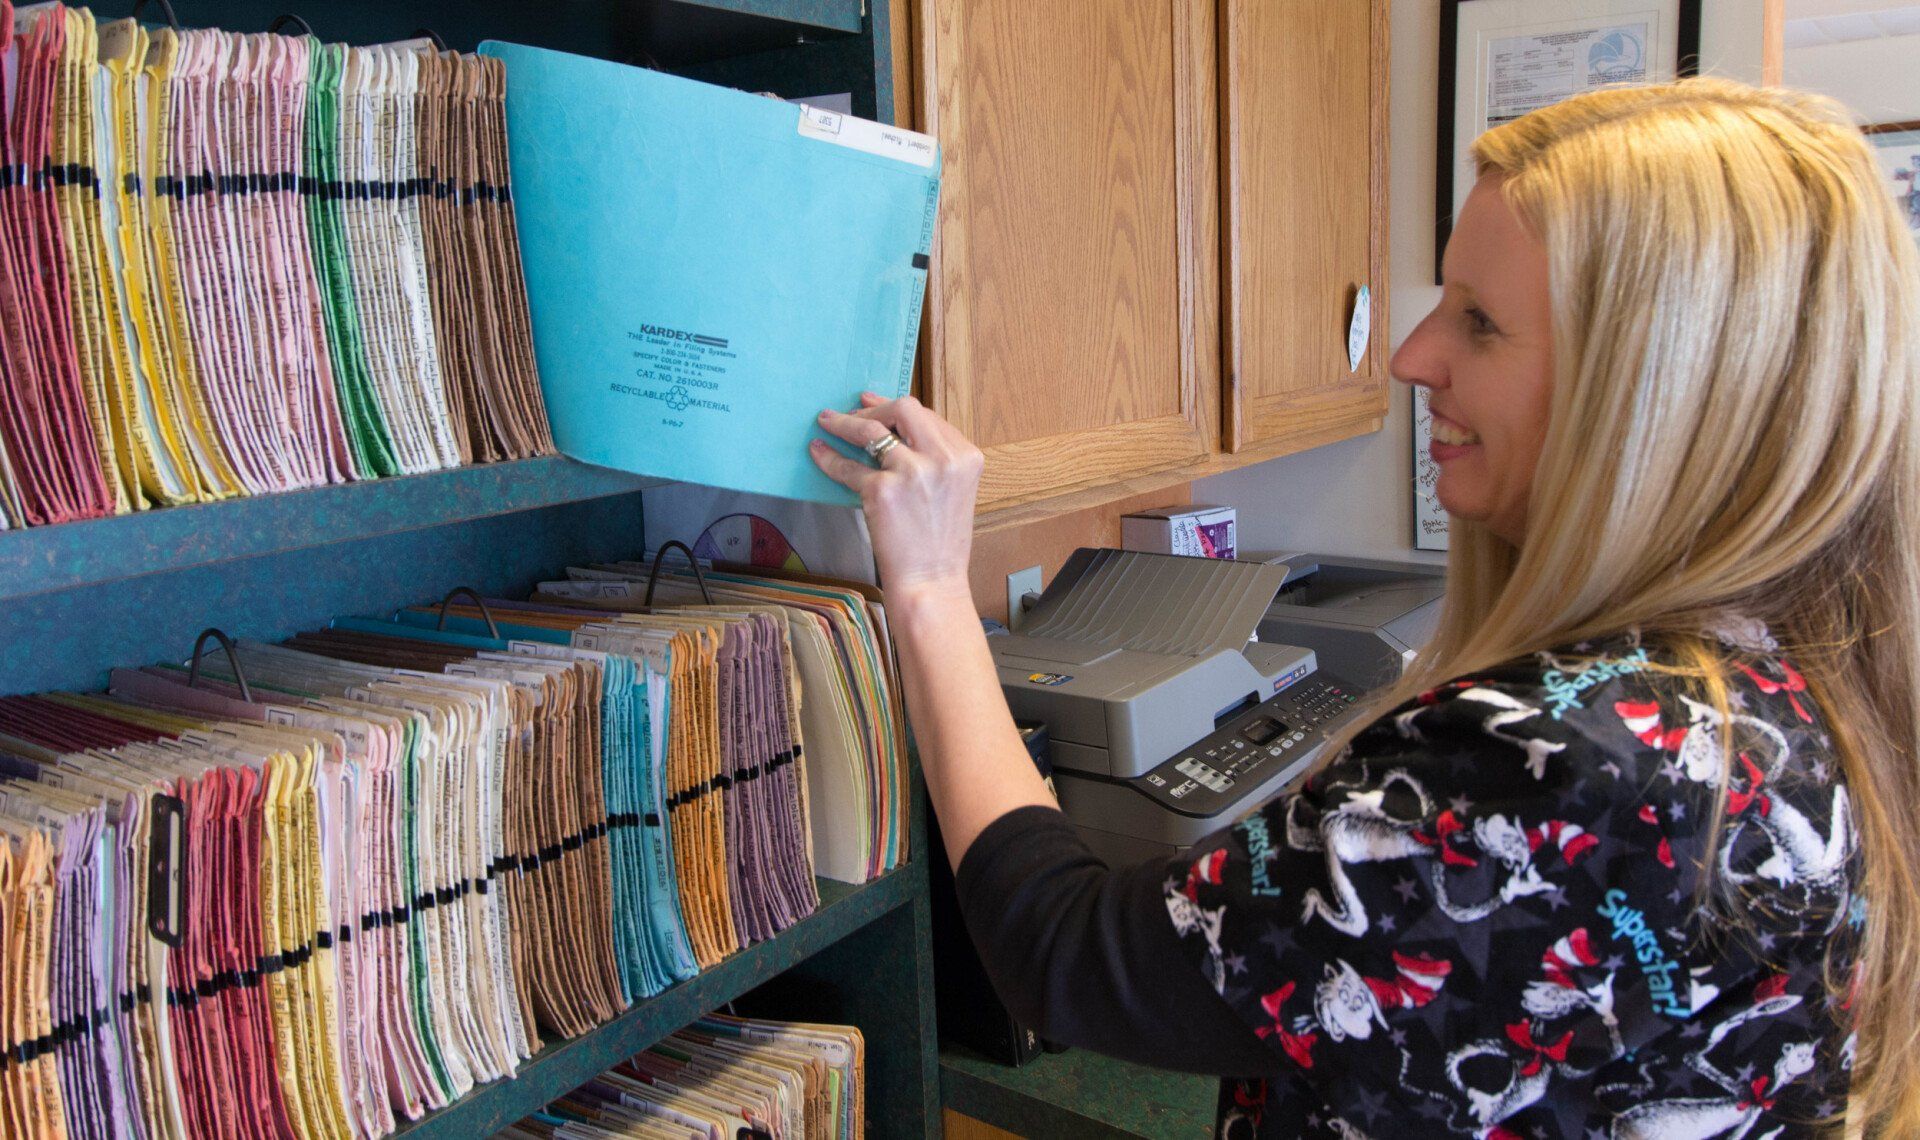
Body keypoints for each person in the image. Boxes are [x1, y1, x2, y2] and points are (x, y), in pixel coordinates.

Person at [809, 79, 1920, 1138]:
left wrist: (930, 585)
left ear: (1649, 391)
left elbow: (1068, 958)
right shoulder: (1786, 686)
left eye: (1478, 321)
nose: (1410, 355)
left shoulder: (1572, 766)